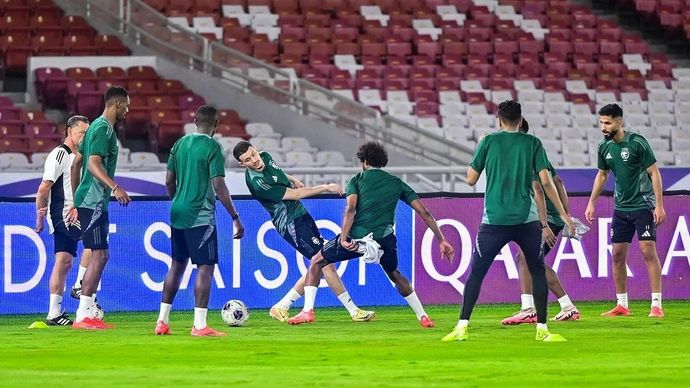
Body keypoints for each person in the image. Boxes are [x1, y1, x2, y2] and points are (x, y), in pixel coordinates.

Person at [442, 100, 575, 343]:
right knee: (536, 271)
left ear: (499, 119)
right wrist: (564, 215)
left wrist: (480, 149)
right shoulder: (533, 143)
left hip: (494, 220)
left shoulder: (489, 141)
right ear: (521, 119)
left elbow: (470, 179)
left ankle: (462, 326)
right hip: (527, 220)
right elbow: (546, 182)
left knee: (477, 274)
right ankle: (542, 330)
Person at [287, 141, 454, 327]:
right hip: (385, 239)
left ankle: (307, 311)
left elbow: (350, 209)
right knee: (395, 274)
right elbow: (424, 213)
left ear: (364, 161)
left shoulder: (357, 180)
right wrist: (441, 239)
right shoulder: (397, 183)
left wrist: (343, 238)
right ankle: (423, 316)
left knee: (317, 261)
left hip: (357, 237)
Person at [232, 141, 375, 322]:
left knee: (319, 263)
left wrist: (292, 179)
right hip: (290, 224)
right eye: (248, 160)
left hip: (300, 215)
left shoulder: (266, 157)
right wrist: (325, 187)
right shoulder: (258, 183)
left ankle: (282, 306)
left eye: (253, 154)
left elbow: (278, 173)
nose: (254, 160)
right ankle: (354, 311)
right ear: (242, 164)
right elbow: (296, 195)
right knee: (325, 262)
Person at [155, 105, 245, 337]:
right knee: (205, 267)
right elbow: (218, 185)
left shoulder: (179, 144)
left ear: (195, 121)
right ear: (217, 125)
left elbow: (168, 180)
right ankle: (200, 325)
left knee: (177, 265)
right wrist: (235, 216)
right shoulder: (213, 147)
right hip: (200, 215)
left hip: (177, 212)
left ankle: (162, 322)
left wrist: (176, 201)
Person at [585, 103, 665, 318]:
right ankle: (622, 305)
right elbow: (602, 175)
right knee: (617, 255)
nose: (603, 127)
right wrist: (592, 202)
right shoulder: (604, 148)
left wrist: (659, 205)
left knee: (648, 251)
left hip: (643, 206)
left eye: (608, 123)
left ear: (619, 122)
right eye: (601, 122)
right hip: (621, 208)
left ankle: (656, 305)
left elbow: (654, 173)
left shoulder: (637, 142)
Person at [501, 118, 580, 325]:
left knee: (526, 259)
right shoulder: (537, 155)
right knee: (530, 260)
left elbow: (538, 192)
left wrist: (546, 225)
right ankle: (567, 307)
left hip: (546, 219)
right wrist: (565, 215)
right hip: (553, 217)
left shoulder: (524, 157)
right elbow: (558, 182)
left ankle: (529, 309)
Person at [72, 86, 132, 330]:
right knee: (100, 254)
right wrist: (115, 187)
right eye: (126, 105)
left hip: (92, 200)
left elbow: (77, 164)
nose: (128, 110)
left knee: (99, 253)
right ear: (117, 104)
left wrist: (76, 199)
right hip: (95, 201)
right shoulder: (102, 129)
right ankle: (83, 315)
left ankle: (85, 313)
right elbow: (93, 164)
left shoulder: (97, 127)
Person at [34, 115, 90, 326]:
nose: (84, 137)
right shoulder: (60, 155)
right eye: (81, 132)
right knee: (95, 244)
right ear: (69, 131)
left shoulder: (80, 156)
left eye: (87, 133)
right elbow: (43, 188)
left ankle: (53, 314)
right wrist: (40, 216)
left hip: (76, 212)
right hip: (64, 214)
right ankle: (79, 286)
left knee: (64, 261)